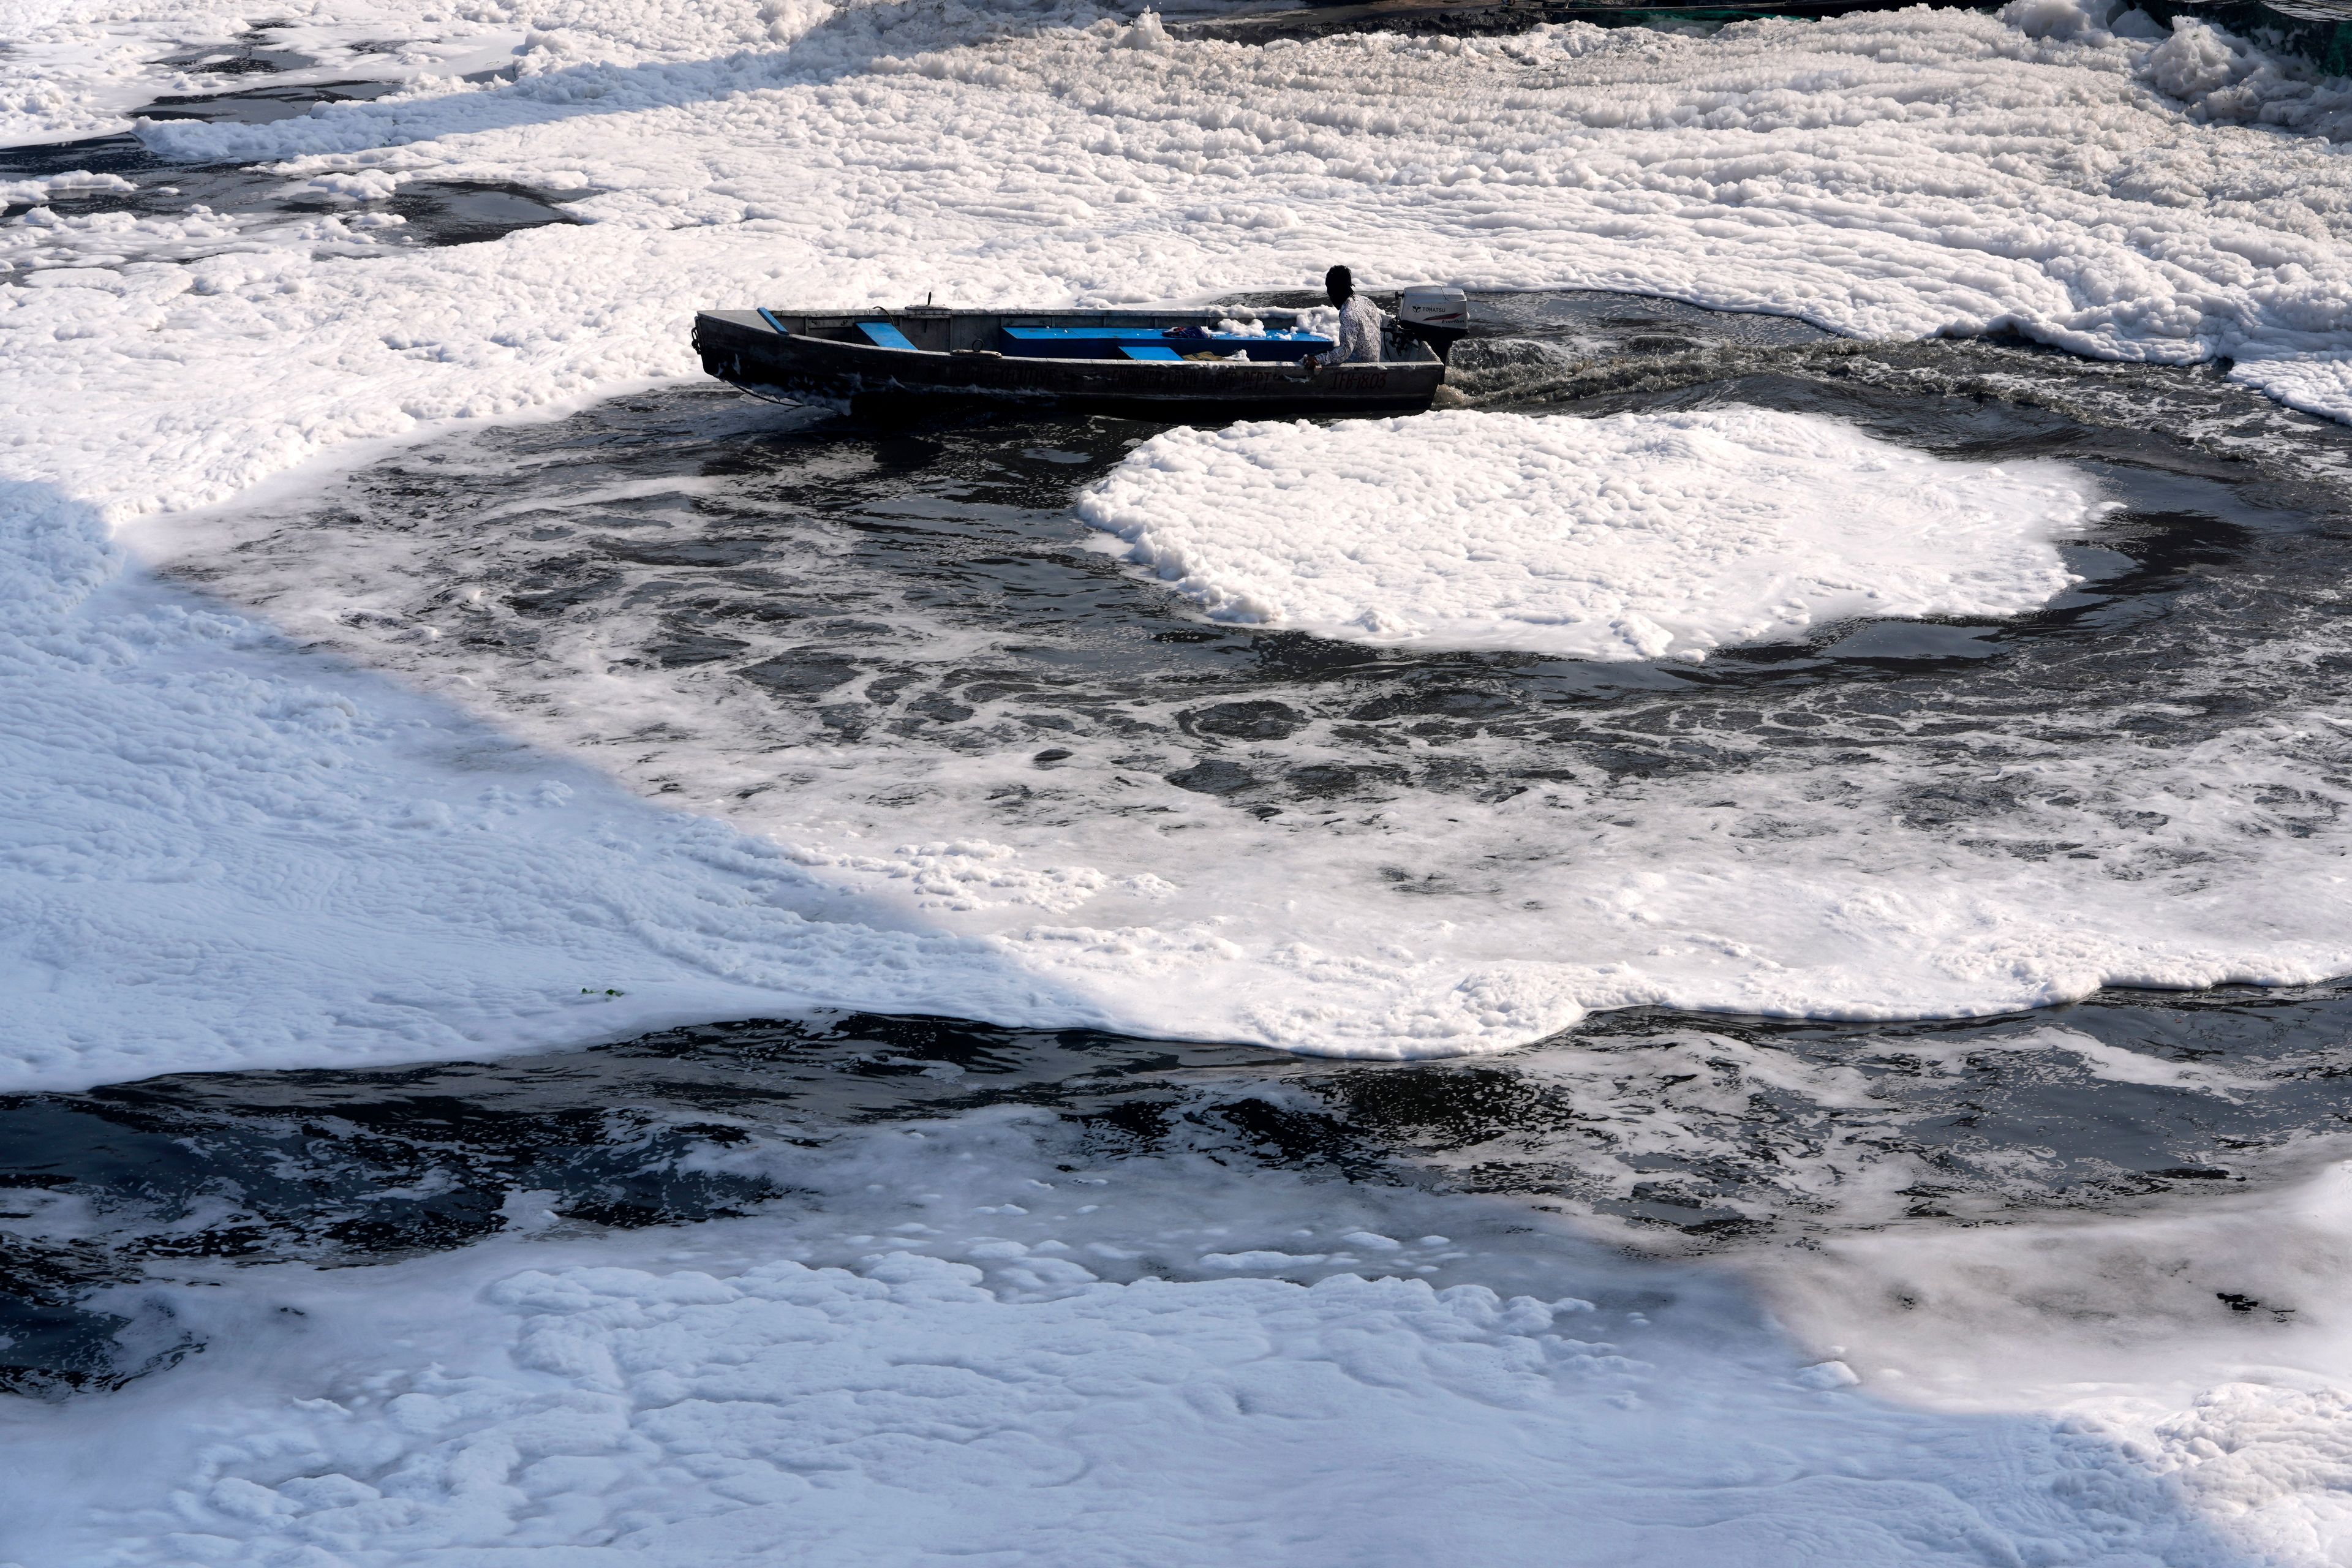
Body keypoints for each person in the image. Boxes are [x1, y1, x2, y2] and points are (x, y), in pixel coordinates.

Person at [1308, 265, 1385, 368]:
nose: (1329, 294)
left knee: (1313, 356)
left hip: (1360, 367)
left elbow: (1345, 351)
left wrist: (1318, 359)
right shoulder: (1366, 302)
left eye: (1329, 289)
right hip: (1374, 361)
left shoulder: (1348, 314)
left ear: (1335, 290)